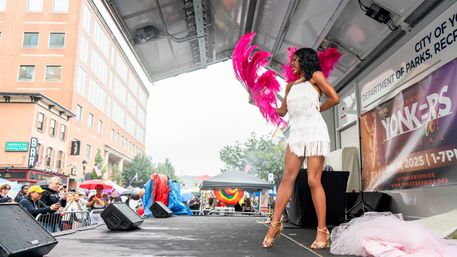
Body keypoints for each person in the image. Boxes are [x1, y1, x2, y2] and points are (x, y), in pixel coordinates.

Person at [262, 48, 339, 249]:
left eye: (295, 60)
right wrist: (263, 102)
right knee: (288, 177)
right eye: (292, 60)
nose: (292, 63)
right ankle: (275, 224)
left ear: (305, 60)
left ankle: (322, 231)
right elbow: (282, 110)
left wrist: (318, 109)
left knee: (314, 180)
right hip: (296, 133)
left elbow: (334, 97)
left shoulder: (316, 76)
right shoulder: (289, 86)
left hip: (314, 131)